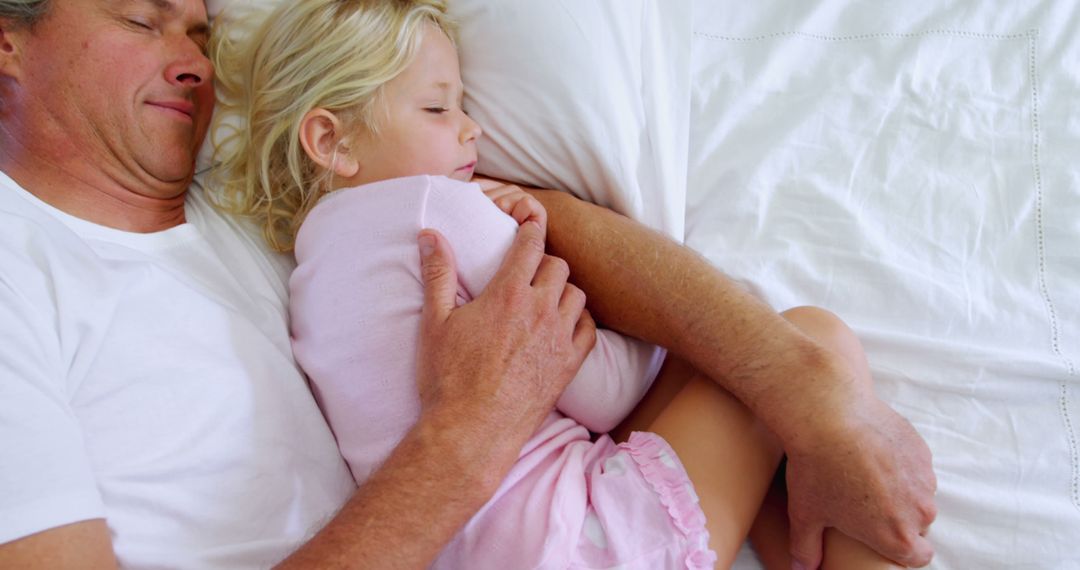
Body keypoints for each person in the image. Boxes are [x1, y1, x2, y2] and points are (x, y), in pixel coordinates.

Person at [0, 0, 935, 568]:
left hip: (491, 531)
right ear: (8, 43)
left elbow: (543, 225)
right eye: (137, 17)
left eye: (204, 31)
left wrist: (802, 392)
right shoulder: (18, 279)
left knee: (792, 395)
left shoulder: (257, 221)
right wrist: (469, 431)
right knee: (811, 344)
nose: (197, 60)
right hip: (541, 533)